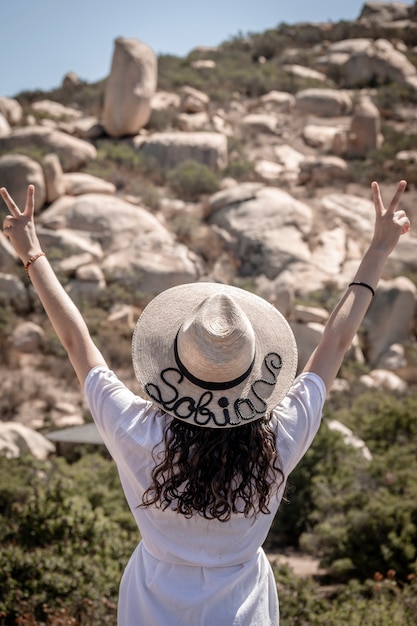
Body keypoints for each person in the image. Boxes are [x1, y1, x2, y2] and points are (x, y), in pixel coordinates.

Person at [1, 180, 410, 625]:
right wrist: (379, 251)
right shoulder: (280, 437)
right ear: (250, 373)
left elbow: (76, 341)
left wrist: (32, 253)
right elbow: (336, 342)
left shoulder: (136, 429)